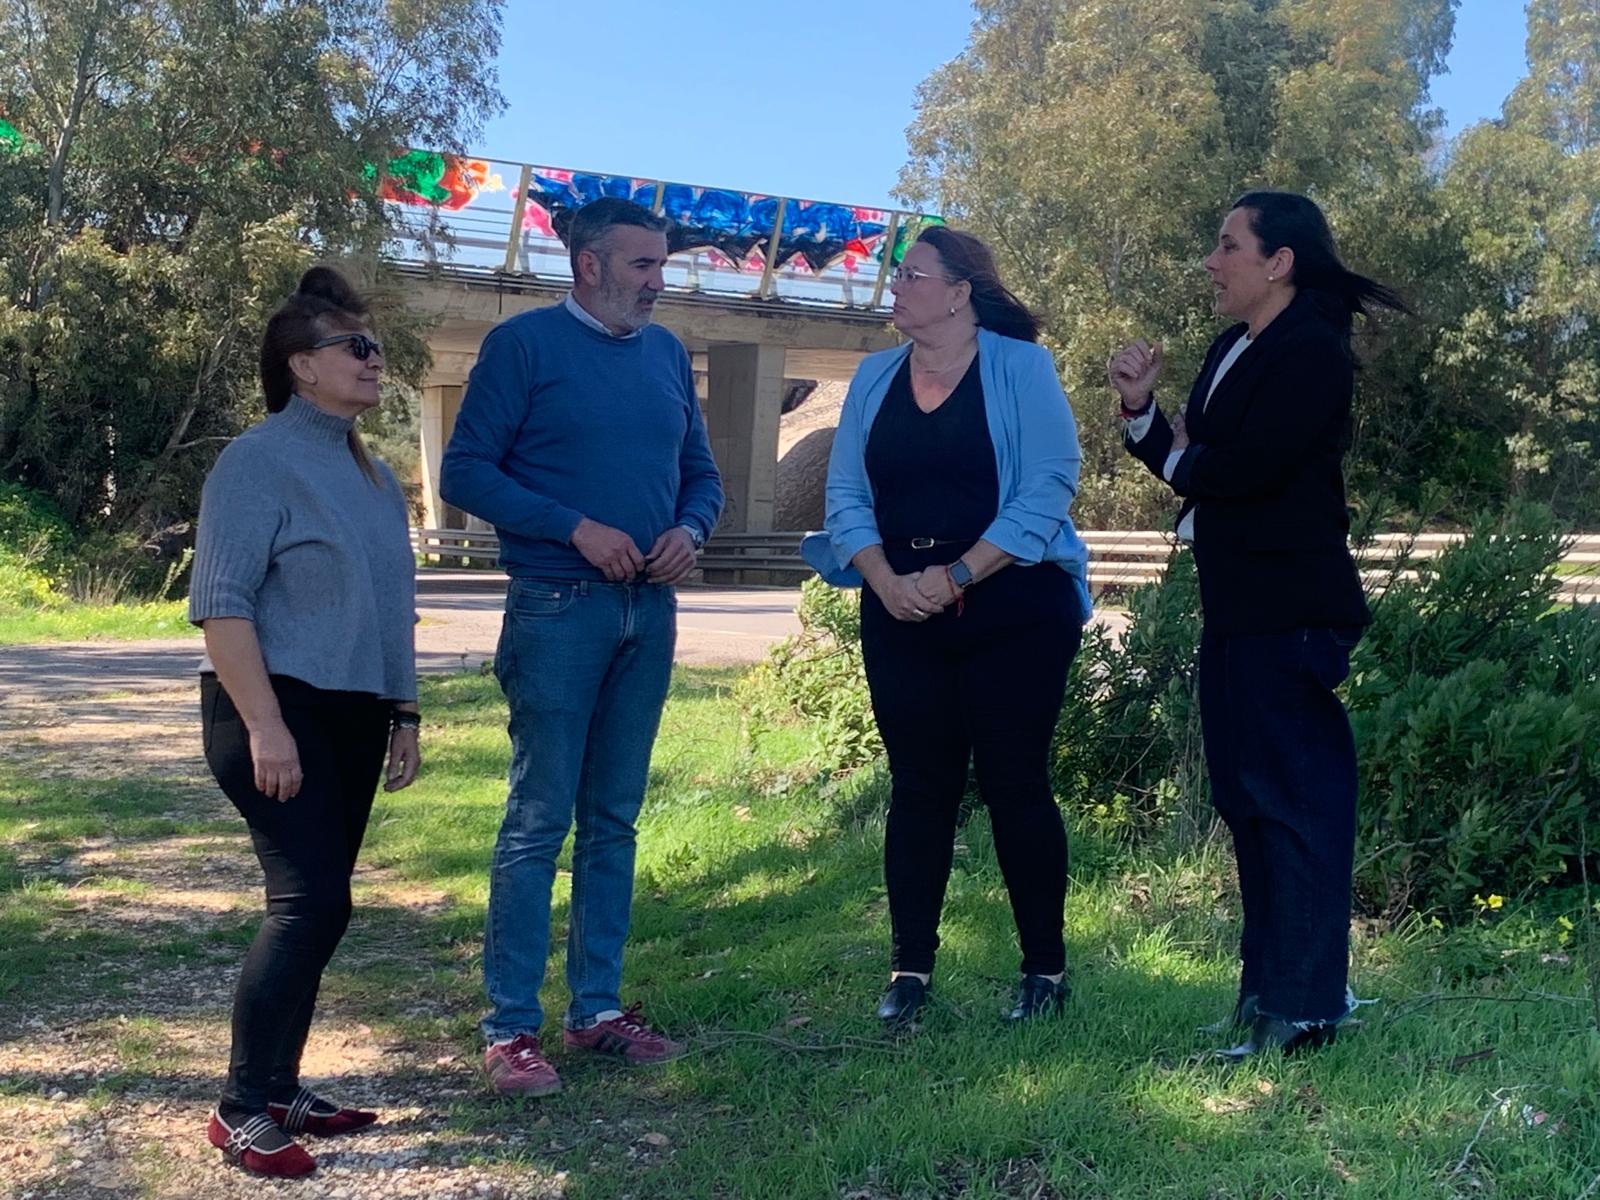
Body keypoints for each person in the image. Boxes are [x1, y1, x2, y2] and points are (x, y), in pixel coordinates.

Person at [1109, 191, 1406, 1058]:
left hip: (1295, 610)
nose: (1212, 260)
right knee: (1247, 803)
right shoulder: (1229, 347)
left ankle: (1308, 1007)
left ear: (1277, 262)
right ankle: (1266, 996)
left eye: (1227, 244)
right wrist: (1143, 412)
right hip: (1238, 606)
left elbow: (1241, 470)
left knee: (1297, 805)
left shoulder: (1313, 352)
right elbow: (1198, 464)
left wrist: (1188, 455)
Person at [440, 197, 723, 1094]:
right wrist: (573, 529)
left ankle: (597, 1009)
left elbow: (703, 475)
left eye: (661, 263)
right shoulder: (522, 347)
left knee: (615, 821)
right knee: (538, 822)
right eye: (641, 264)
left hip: (650, 611)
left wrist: (692, 529)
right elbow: (466, 470)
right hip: (558, 606)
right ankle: (510, 1030)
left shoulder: (669, 353)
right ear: (588, 263)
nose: (657, 280)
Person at [803, 226, 1092, 1026]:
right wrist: (886, 579)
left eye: (913, 276)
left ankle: (1045, 972)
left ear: (960, 292)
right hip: (897, 603)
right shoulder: (872, 376)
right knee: (919, 789)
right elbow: (845, 496)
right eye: (898, 276)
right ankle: (910, 972)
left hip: (1012, 604)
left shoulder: (1021, 367)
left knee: (1015, 784)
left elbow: (1048, 487)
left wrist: (958, 572)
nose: (896, 288)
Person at [189, 267, 420, 1176]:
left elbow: (394, 606)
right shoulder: (256, 460)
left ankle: (281, 1088)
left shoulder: (372, 473)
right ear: (301, 366)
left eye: (377, 348)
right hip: (275, 711)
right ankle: (241, 1107)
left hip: (356, 715)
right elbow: (222, 606)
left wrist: (404, 711)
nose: (374, 362)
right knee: (306, 903)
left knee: (325, 906)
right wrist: (266, 726)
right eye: (354, 348)